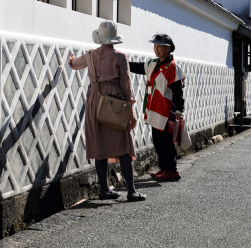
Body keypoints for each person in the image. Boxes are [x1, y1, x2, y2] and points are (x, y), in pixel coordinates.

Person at [69, 21, 146, 202]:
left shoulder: (90, 56)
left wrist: (71, 59)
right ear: (114, 39)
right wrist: (131, 113)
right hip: (115, 102)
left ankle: (104, 189)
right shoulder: (120, 57)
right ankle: (132, 191)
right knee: (124, 145)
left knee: (99, 144)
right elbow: (126, 86)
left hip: (95, 100)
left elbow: (74, 65)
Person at [129, 34, 185, 181]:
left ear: (168, 48)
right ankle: (164, 168)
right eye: (155, 46)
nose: (156, 49)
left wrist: (180, 110)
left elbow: (178, 91)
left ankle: (172, 170)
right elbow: (139, 67)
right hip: (154, 109)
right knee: (158, 140)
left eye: (159, 46)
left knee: (166, 141)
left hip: (167, 110)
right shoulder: (154, 64)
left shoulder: (172, 67)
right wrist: (123, 63)